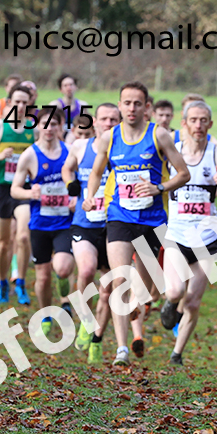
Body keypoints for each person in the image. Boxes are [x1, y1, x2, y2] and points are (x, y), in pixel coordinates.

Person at [82, 81, 192, 366]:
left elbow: (184, 174)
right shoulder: (109, 138)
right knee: (119, 280)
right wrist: (89, 196)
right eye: (126, 103)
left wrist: (160, 187)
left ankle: (141, 304)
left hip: (153, 221)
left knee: (147, 289)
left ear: (146, 107)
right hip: (119, 216)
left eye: (137, 103)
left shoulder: (159, 135)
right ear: (120, 106)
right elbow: (96, 172)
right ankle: (121, 349)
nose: (131, 108)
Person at [159, 100, 217, 364]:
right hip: (177, 235)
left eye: (203, 120)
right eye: (193, 120)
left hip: (207, 238)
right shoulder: (173, 153)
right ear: (183, 124)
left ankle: (176, 354)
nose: (198, 125)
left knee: (193, 302)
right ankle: (171, 305)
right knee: (174, 292)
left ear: (210, 124)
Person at [61, 103, 121, 363]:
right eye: (104, 119)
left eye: (113, 119)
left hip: (114, 224)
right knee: (85, 271)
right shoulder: (80, 146)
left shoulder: (124, 152)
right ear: (94, 121)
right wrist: (73, 187)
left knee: (108, 290)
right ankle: (86, 320)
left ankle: (97, 338)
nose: (108, 123)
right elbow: (67, 168)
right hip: (84, 222)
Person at [11, 108, 74, 334]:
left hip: (65, 222)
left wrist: (75, 198)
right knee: (43, 276)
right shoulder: (30, 154)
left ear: (60, 126)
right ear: (37, 126)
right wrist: (30, 194)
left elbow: (80, 183)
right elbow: (15, 189)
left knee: (64, 268)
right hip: (40, 224)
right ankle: (45, 315)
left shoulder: (69, 152)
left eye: (53, 124)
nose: (49, 128)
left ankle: (64, 284)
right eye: (44, 124)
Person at [0, 85, 35, 304]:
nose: (20, 106)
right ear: (9, 103)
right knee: (2, 244)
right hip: (3, 189)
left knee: (22, 236)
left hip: (24, 190)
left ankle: (20, 282)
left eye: (24, 102)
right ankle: (2, 281)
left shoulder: (34, 129)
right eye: (17, 102)